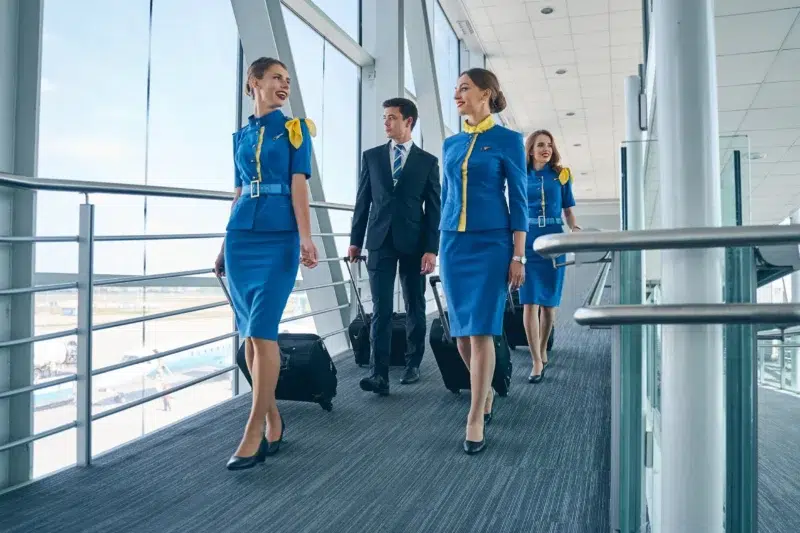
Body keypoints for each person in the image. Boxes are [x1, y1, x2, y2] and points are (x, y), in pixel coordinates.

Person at [214, 57, 319, 471]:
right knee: (250, 338)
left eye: (287, 80)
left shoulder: (295, 130)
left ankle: (253, 429)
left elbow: (298, 187)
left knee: (263, 330)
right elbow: (238, 191)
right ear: (254, 82)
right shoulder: (240, 135)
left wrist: (306, 237)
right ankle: (273, 419)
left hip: (279, 238)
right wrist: (224, 245)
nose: (283, 85)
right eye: (276, 78)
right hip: (241, 238)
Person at [439, 68, 527, 455]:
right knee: (459, 334)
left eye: (464, 88)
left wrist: (519, 254)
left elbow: (519, 201)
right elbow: (445, 197)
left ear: (486, 94)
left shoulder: (509, 140)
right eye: (456, 89)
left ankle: (475, 416)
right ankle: (485, 388)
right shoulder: (450, 144)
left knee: (482, 331)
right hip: (452, 244)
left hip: (492, 244)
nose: (457, 94)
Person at [349, 98, 441, 395]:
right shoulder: (372, 157)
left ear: (408, 122)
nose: (386, 123)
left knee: (415, 303)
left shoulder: (427, 162)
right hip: (379, 241)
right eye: (384, 117)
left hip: (415, 244)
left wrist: (431, 248)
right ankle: (379, 373)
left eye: (391, 118)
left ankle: (413, 362)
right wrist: (355, 241)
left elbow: (435, 209)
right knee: (382, 308)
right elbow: (363, 202)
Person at [519, 130, 580, 383]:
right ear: (531, 150)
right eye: (540, 145)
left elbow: (568, 210)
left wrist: (574, 227)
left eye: (549, 145)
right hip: (529, 240)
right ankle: (535, 359)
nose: (546, 148)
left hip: (555, 239)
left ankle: (543, 346)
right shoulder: (520, 176)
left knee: (549, 306)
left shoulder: (561, 176)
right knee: (530, 302)